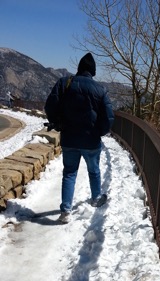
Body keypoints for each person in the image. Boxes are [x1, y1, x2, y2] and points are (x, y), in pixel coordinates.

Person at [45, 52, 114, 223]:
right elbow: (109, 118)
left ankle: (65, 211)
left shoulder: (64, 83)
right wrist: (99, 132)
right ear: (93, 71)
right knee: (94, 170)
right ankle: (96, 198)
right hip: (91, 140)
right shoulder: (100, 90)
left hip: (69, 138)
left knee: (69, 173)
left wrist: (57, 122)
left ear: (79, 68)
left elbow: (50, 105)